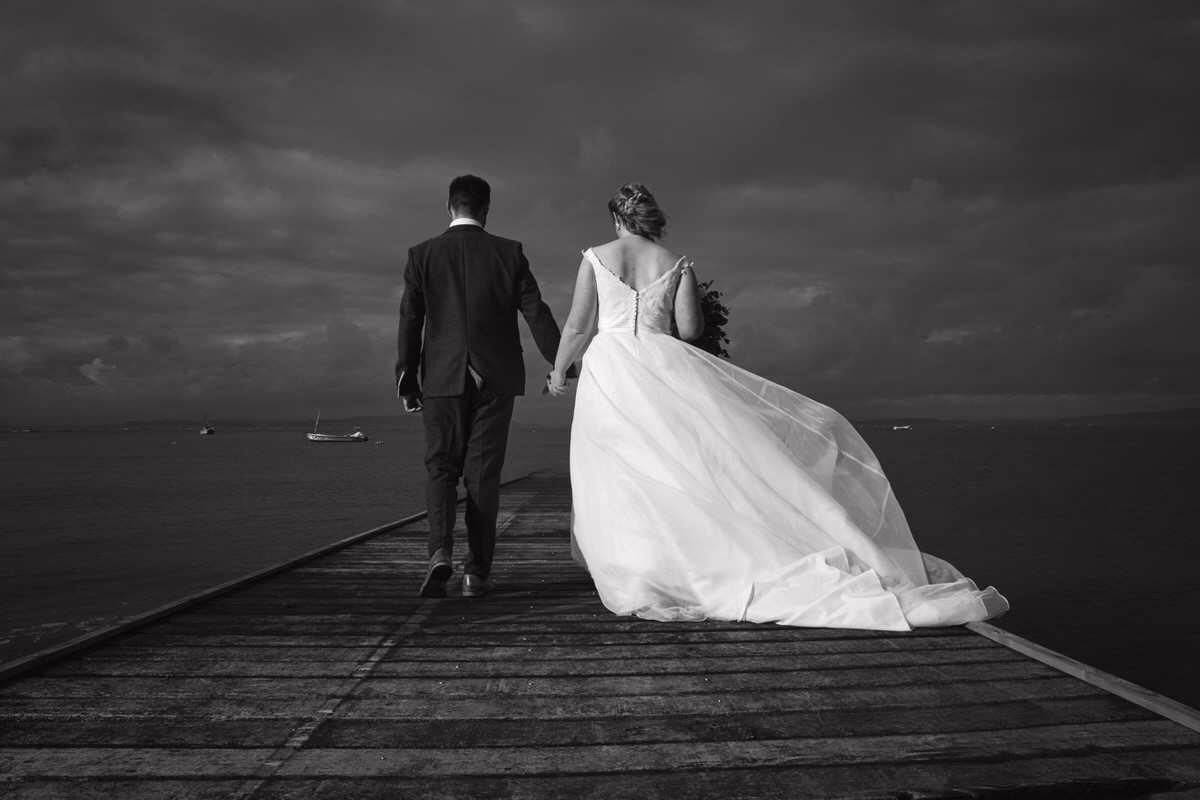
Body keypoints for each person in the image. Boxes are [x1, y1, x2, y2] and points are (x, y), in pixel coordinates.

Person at [546, 183, 1008, 630]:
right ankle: (682, 564)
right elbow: (688, 330)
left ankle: (638, 568)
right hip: (664, 364)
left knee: (620, 464)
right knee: (678, 464)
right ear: (649, 219)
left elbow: (577, 327)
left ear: (615, 218)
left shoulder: (596, 257)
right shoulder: (676, 263)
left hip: (612, 366)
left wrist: (559, 371)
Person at [397, 175, 568, 598]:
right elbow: (535, 310)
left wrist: (406, 377)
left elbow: (410, 320)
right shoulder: (509, 253)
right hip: (497, 377)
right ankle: (476, 574)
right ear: (486, 209)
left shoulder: (422, 255)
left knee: (440, 467)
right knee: (482, 477)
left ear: (449, 207)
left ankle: (439, 551)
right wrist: (562, 362)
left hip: (440, 377)